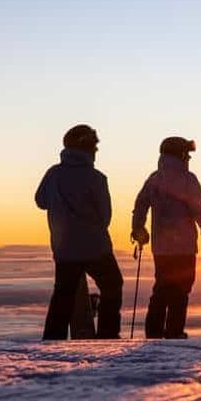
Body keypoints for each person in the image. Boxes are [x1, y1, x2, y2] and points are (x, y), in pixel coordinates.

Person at [35, 124, 123, 340]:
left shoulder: (53, 174)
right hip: (96, 248)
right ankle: (107, 335)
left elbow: (41, 201)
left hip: (64, 249)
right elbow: (105, 217)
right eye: (94, 146)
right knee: (112, 285)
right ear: (87, 148)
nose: (96, 151)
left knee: (63, 296)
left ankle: (52, 340)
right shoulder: (96, 178)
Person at [131, 137, 201, 339]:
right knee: (180, 290)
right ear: (181, 155)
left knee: (162, 287)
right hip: (184, 247)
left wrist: (138, 228)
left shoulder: (154, 179)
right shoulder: (189, 180)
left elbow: (140, 205)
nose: (189, 157)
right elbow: (198, 210)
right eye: (187, 154)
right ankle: (174, 332)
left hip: (161, 247)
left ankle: (153, 332)